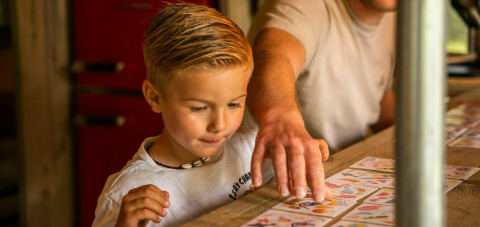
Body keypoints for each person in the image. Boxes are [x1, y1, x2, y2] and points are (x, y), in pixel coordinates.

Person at [92, 3, 330, 226]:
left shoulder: (251, 148)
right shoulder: (124, 195)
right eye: (199, 108)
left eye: (234, 105)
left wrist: (301, 158)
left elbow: (289, 189)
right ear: (154, 98)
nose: (220, 124)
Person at [244, 0, 396, 203]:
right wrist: (280, 116)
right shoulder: (301, 5)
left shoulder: (393, 18)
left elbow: (378, 98)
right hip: (268, 185)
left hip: (341, 173)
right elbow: (272, 56)